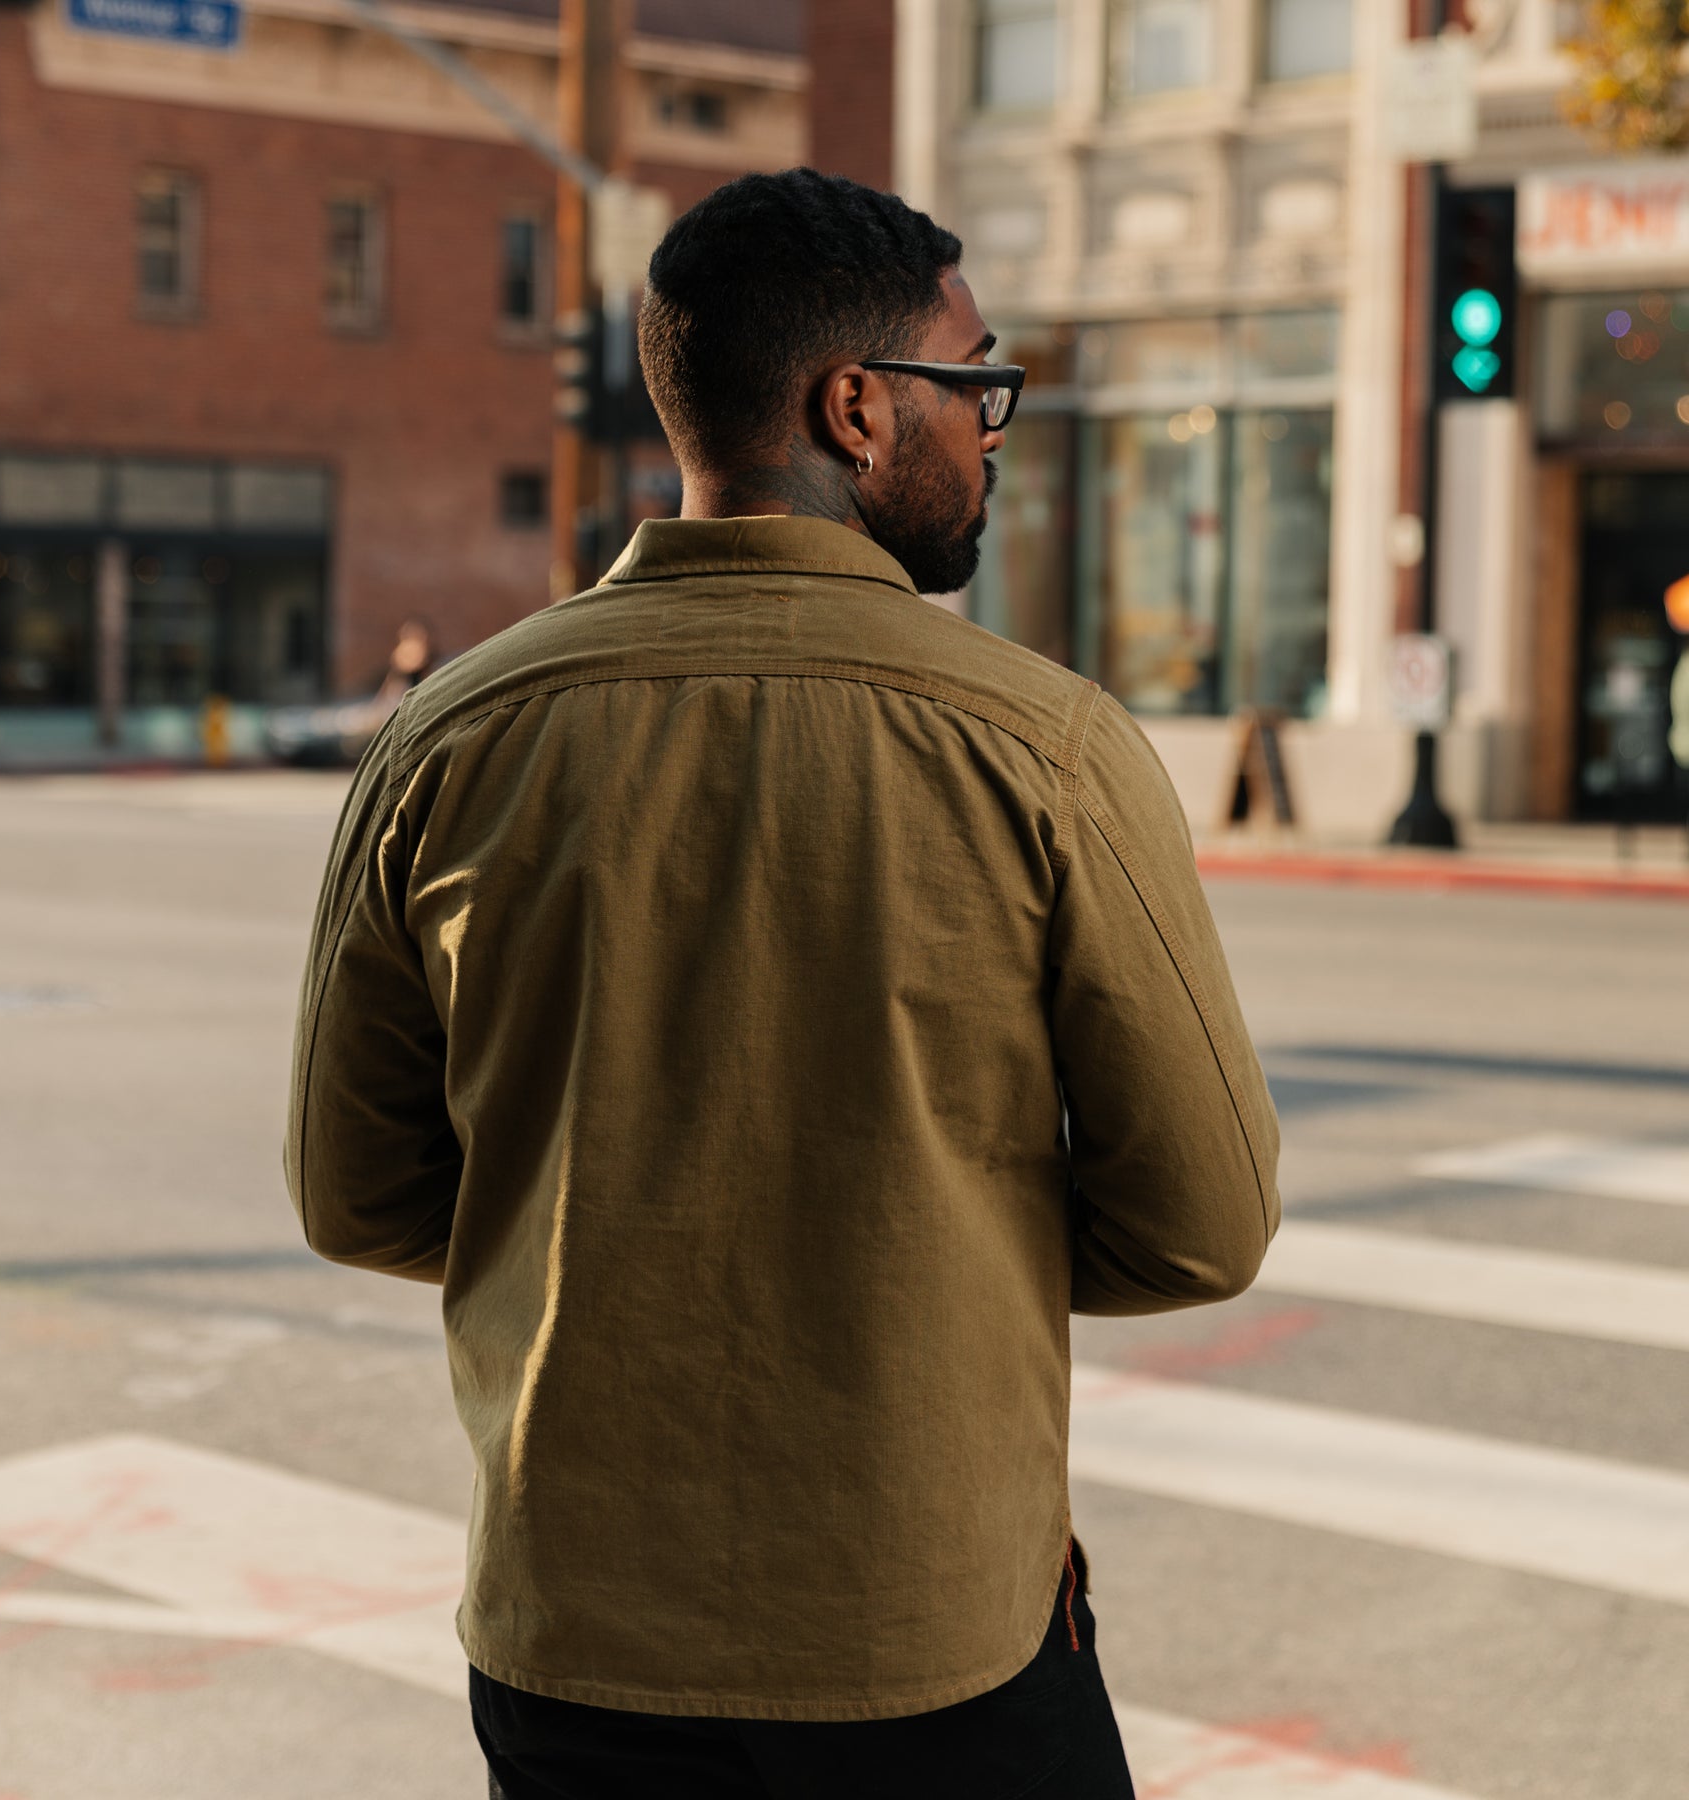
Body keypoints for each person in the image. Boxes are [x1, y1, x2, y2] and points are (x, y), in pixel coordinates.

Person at [287, 168, 1279, 1798]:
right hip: (934, 1634)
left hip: (578, 1638)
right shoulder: (1048, 750)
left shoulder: (444, 741)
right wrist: (927, 1259)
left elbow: (359, 1195)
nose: (997, 431)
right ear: (857, 410)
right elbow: (1206, 1224)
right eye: (980, 387)